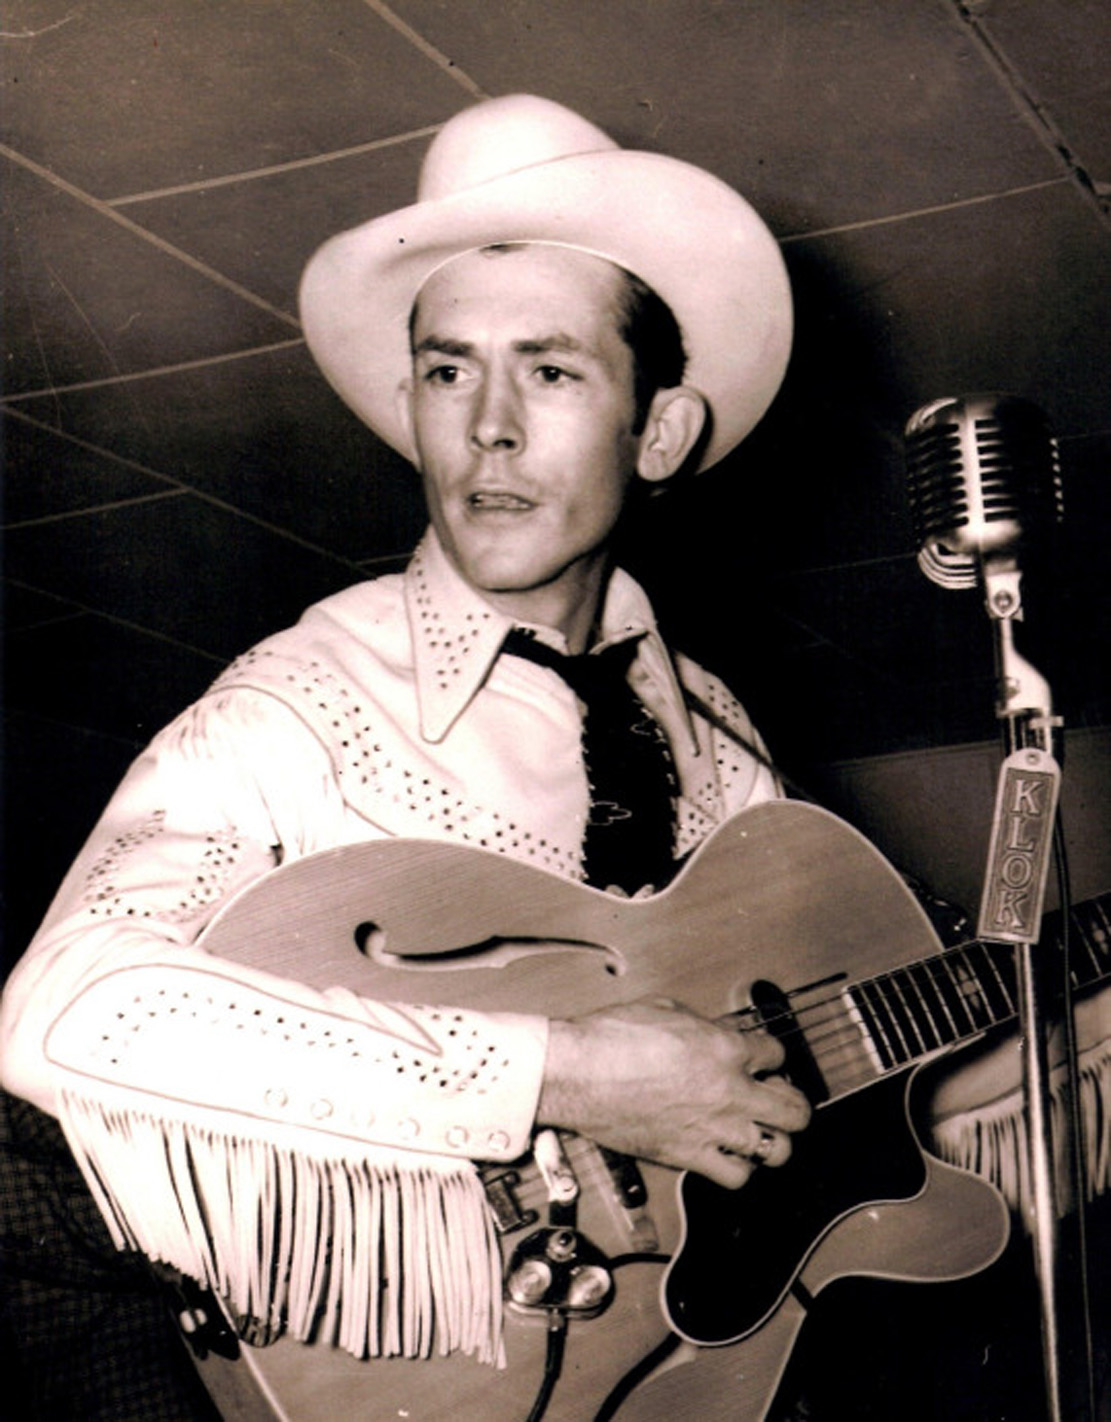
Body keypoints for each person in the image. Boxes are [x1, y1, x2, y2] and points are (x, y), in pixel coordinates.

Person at [0, 93, 813, 1416]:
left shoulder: (727, 749)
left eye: (550, 371)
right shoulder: (298, 702)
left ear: (658, 430)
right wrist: (568, 1073)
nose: (487, 427)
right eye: (448, 371)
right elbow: (61, 1015)